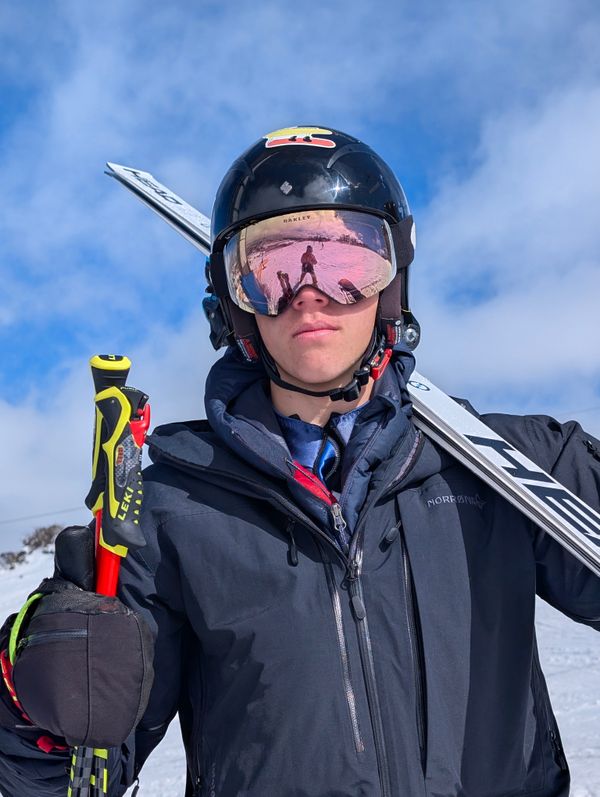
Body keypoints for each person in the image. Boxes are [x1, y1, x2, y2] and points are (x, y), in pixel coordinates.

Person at [0, 126, 599, 797]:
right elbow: (74, 779)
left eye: (346, 263)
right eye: (274, 271)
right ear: (235, 301)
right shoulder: (169, 514)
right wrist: (36, 711)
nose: (310, 293)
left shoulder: (515, 468)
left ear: (392, 282)